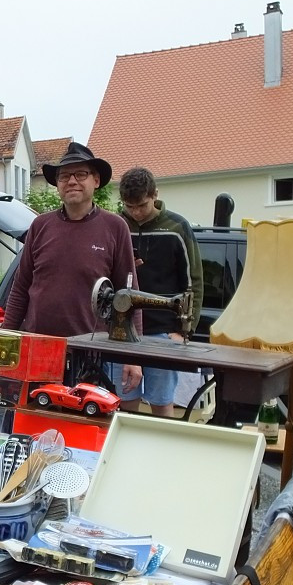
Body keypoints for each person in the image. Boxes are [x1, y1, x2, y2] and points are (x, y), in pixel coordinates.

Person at [2, 142, 142, 392]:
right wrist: (6, 340)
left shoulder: (115, 227)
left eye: (81, 174)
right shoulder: (40, 226)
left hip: (90, 354)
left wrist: (133, 357)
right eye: (64, 176)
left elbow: (129, 295)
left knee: (84, 423)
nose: (72, 181)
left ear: (96, 181)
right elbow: (20, 288)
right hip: (38, 348)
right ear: (57, 184)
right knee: (35, 421)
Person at [111, 167, 204, 417]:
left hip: (164, 331)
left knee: (162, 402)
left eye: (141, 205)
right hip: (123, 331)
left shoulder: (177, 227)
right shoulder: (116, 225)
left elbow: (193, 281)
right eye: (129, 206)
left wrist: (184, 330)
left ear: (155, 195)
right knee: (124, 400)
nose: (135, 212)